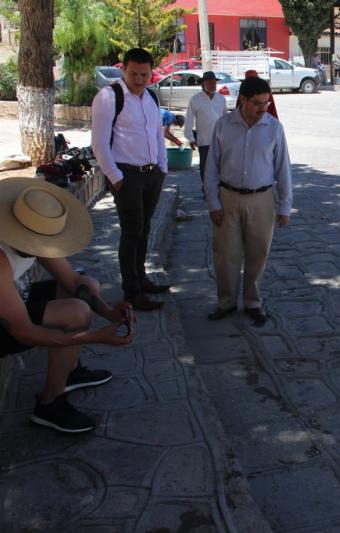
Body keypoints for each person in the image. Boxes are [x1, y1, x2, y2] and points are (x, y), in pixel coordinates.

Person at [0, 178, 135, 433]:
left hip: (11, 301)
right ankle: (49, 405)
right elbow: (23, 331)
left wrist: (109, 312)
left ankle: (69, 371)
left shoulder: (28, 231)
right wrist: (95, 337)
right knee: (76, 312)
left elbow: (72, 281)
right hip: (9, 323)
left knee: (88, 284)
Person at [204, 76, 293, 324]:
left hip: (262, 199)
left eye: (266, 103)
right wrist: (213, 202)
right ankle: (227, 301)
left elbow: (283, 168)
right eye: (257, 103)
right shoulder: (223, 126)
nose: (263, 108)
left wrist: (285, 205)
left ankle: (253, 301)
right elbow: (211, 168)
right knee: (226, 254)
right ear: (242, 100)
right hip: (228, 197)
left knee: (258, 252)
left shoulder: (274, 127)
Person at [91, 47, 171, 312]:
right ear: (123, 69)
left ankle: (141, 277)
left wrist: (162, 167)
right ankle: (132, 291)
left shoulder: (151, 97)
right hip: (127, 175)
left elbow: (157, 134)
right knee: (132, 230)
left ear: (151, 73)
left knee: (145, 228)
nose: (139, 79)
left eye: (144, 74)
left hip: (151, 175)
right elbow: (99, 142)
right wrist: (115, 177)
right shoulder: (109, 96)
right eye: (134, 73)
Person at [184, 71, 228, 193]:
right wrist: (191, 138)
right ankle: (208, 190)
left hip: (221, 140)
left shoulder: (221, 99)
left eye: (214, 82)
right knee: (206, 168)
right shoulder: (195, 100)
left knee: (221, 167)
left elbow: (225, 118)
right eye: (209, 82)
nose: (212, 85)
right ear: (203, 84)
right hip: (204, 140)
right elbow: (189, 120)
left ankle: (219, 190)